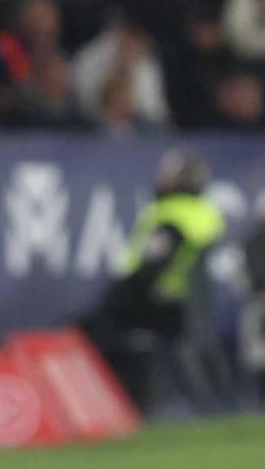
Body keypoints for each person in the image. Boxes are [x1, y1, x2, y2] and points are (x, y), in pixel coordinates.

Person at [81, 150, 227, 408]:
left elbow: (154, 264)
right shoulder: (199, 212)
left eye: (169, 174)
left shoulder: (174, 215)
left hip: (161, 297)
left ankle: (114, 402)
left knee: (97, 327)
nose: (162, 178)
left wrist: (121, 290)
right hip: (181, 301)